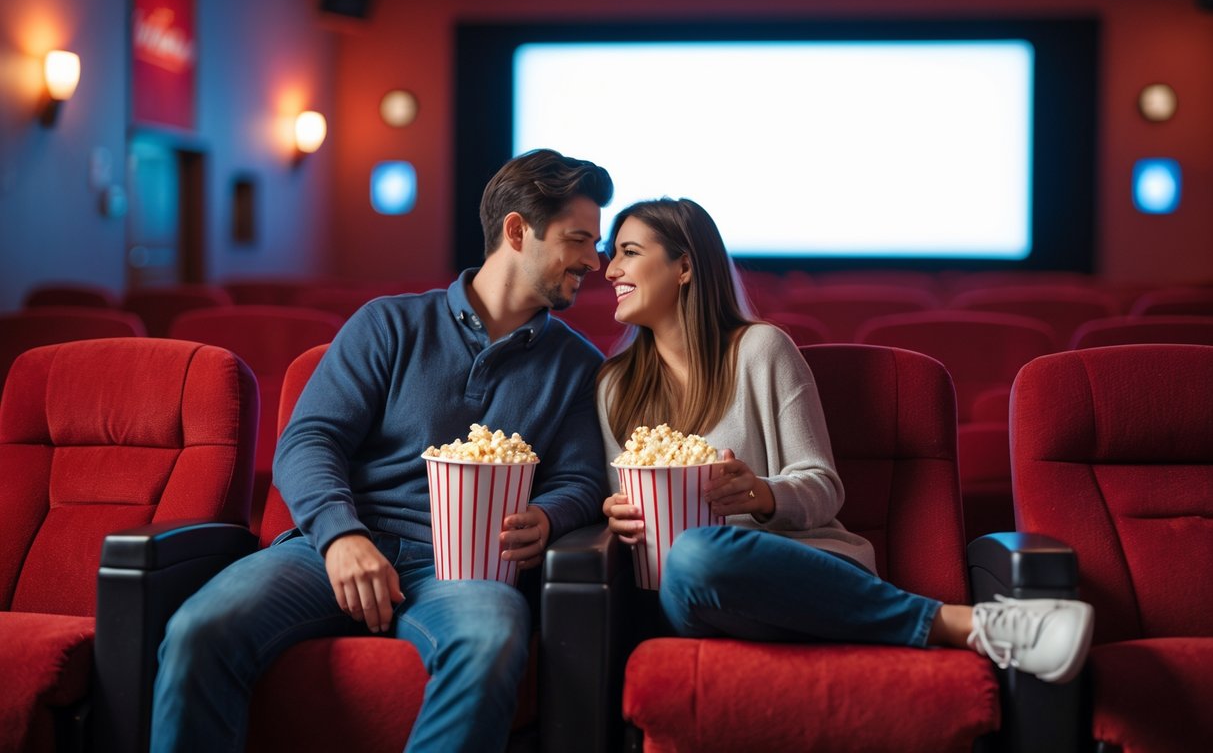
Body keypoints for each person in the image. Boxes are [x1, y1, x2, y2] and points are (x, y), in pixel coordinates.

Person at [151, 149, 614, 752]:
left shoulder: (579, 366)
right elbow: (309, 440)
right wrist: (342, 537)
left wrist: (550, 516)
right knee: (198, 629)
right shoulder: (389, 325)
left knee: (490, 639)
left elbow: (581, 479)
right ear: (517, 231)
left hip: (463, 570)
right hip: (333, 550)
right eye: (579, 240)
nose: (595, 261)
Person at [599, 197, 1093, 684]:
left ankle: (895, 621)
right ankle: (963, 625)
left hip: (804, 565)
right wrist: (616, 515)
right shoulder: (613, 387)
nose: (610, 270)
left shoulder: (761, 349)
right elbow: (618, 508)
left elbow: (823, 487)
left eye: (629, 251)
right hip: (693, 595)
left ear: (683, 266)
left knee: (699, 552)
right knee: (691, 561)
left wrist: (763, 494)